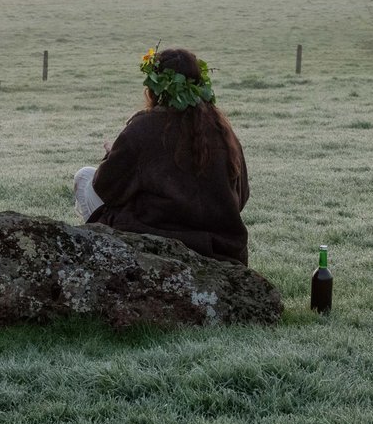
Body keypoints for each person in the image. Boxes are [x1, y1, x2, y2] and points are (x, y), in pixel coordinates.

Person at [73, 46, 250, 264]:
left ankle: (98, 263)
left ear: (154, 87)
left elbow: (105, 188)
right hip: (221, 248)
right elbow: (241, 198)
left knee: (84, 178)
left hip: (156, 242)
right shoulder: (222, 130)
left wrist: (113, 156)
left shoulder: (143, 128)